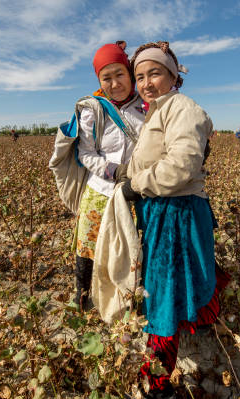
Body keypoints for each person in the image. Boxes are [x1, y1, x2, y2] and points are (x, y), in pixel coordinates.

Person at [120, 41, 229, 399]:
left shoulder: (182, 107)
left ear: (173, 76)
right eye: (140, 76)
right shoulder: (156, 112)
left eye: (155, 73)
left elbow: (182, 165)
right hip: (163, 211)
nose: (147, 83)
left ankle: (155, 386)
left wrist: (136, 185)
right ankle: (203, 322)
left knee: (164, 298)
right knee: (175, 286)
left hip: (176, 214)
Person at [72, 41, 146, 310]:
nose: (114, 83)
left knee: (129, 249)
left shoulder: (148, 106)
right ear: (99, 81)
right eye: (107, 77)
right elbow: (85, 154)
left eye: (120, 75)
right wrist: (115, 171)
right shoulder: (93, 109)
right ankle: (83, 296)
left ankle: (127, 301)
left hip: (136, 192)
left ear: (130, 74)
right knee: (88, 246)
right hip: (100, 191)